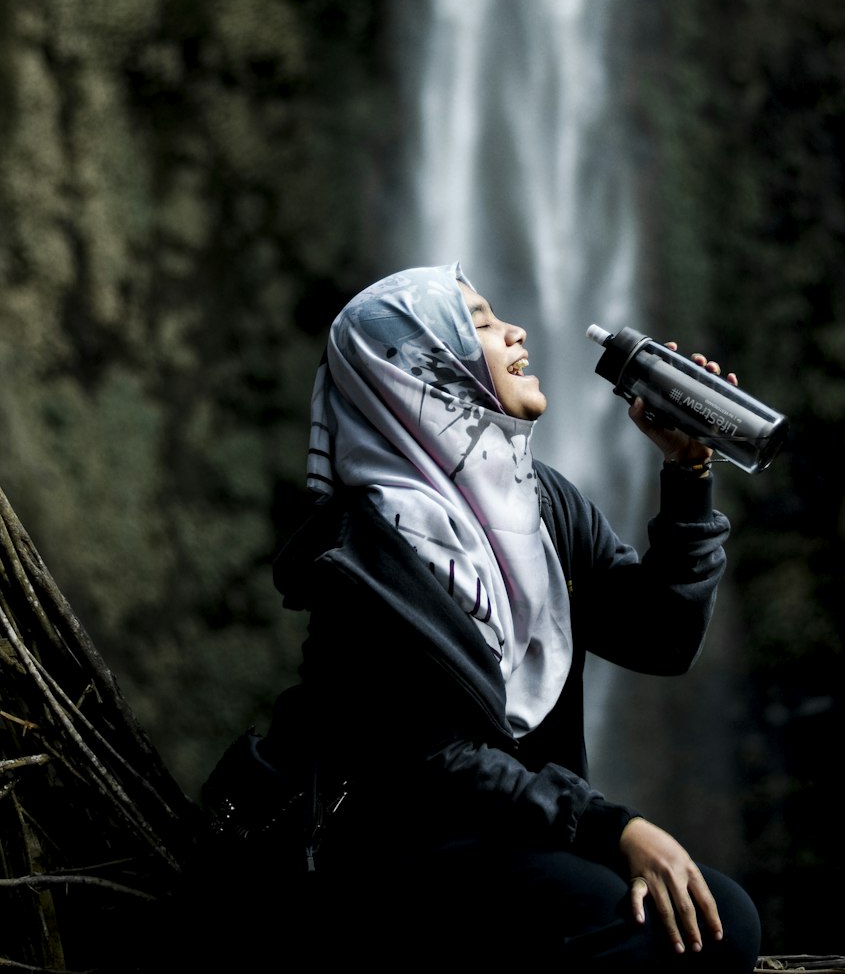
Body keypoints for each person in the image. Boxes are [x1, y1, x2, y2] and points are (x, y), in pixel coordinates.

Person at [225, 263, 761, 969]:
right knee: (673, 932)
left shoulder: (541, 506)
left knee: (722, 922)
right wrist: (614, 828)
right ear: (420, 365)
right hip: (386, 860)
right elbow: (432, 761)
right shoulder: (365, 555)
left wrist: (688, 472)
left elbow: (660, 635)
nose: (516, 332)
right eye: (478, 322)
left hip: (503, 833)